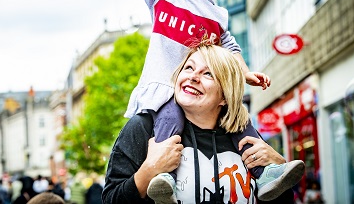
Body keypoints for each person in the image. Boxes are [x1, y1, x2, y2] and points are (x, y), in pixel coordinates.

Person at [126, 0, 304, 203]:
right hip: (167, 88)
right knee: (169, 123)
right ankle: (166, 180)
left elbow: (231, 48)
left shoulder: (217, 15)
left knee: (240, 120)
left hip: (202, 91)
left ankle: (265, 175)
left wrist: (245, 73)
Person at [103, 40, 298, 203]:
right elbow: (111, 199)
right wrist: (150, 170)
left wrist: (277, 162)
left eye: (208, 74)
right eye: (189, 68)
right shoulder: (145, 128)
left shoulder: (246, 139)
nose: (193, 77)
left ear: (225, 95)